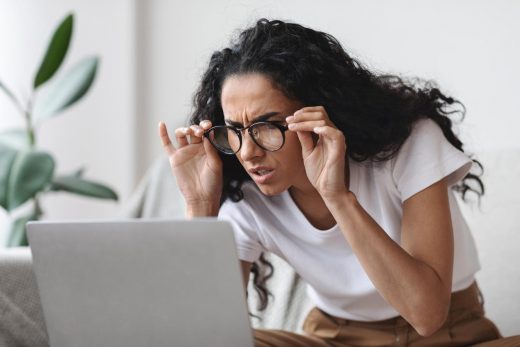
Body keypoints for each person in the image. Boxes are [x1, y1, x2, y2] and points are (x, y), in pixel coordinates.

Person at [158, 19, 520, 347]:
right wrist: (200, 206)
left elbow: (426, 315)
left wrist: (338, 197)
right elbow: (202, 334)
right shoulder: (244, 192)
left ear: (319, 114)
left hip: (450, 334)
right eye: (234, 131)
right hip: (336, 338)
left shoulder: (408, 145)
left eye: (267, 126)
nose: (248, 152)